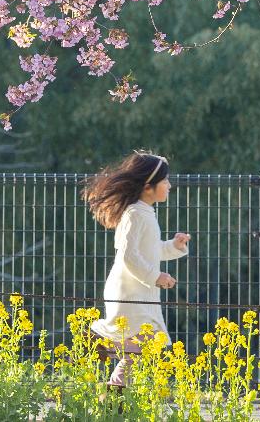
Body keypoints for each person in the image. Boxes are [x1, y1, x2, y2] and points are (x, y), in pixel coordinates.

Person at [81, 151, 190, 388]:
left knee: (147, 344)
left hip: (139, 291)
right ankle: (101, 341)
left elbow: (149, 251)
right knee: (149, 342)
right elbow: (129, 256)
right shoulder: (135, 214)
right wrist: (156, 276)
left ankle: (116, 391)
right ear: (148, 187)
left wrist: (174, 246)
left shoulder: (144, 213)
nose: (169, 186)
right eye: (165, 181)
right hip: (129, 291)